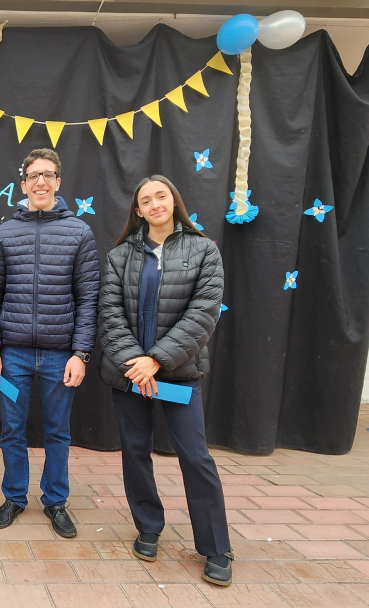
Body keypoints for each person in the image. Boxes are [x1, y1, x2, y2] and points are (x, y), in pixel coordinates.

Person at [98, 175, 232, 586]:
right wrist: (135, 363)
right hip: (129, 376)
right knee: (135, 451)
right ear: (137, 211)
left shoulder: (204, 250)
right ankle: (148, 527)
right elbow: (109, 314)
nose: (155, 204)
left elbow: (203, 315)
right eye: (146, 200)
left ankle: (215, 547)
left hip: (178, 375)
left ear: (173, 201)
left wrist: (156, 360)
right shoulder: (120, 256)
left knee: (195, 456)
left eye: (162, 196)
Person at [0, 148, 100, 536]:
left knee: (58, 432)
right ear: (23, 184)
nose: (41, 182)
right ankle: (14, 497)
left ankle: (56, 501)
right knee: (11, 429)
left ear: (59, 183)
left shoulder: (79, 232)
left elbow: (89, 298)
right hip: (11, 355)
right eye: (34, 176)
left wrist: (80, 353)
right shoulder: (5, 232)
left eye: (48, 175)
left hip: (58, 356)